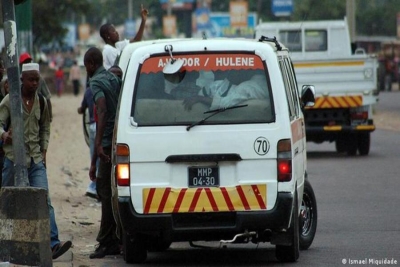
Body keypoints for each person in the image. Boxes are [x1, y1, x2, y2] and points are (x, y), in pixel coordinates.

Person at [0, 63, 72, 259]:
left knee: (44, 200)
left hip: (36, 160)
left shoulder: (41, 101)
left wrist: (44, 150)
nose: (34, 83)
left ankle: (54, 245)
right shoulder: (10, 100)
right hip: (13, 160)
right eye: (31, 79)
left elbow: (45, 128)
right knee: (7, 201)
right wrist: (4, 135)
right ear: (22, 80)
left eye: (37, 79)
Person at [84, 47, 122, 259]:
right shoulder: (111, 77)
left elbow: (102, 109)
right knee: (108, 190)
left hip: (106, 143)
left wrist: (98, 146)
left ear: (90, 64)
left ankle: (107, 241)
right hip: (117, 140)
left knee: (104, 192)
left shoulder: (96, 81)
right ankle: (113, 238)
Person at [100, 4, 148, 69]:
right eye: (113, 31)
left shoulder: (117, 45)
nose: (117, 33)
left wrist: (143, 21)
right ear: (107, 36)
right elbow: (121, 67)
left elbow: (136, 40)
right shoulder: (108, 50)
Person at [78, 79, 98, 199]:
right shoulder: (103, 89)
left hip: (91, 126)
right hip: (102, 126)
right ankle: (95, 186)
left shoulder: (88, 91)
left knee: (94, 158)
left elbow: (82, 108)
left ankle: (93, 185)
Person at [19, 52, 53, 122]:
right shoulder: (17, 80)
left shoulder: (39, 79)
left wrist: (49, 116)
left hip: (37, 113)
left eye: (29, 62)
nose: (28, 64)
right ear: (21, 65)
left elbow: (47, 98)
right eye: (25, 62)